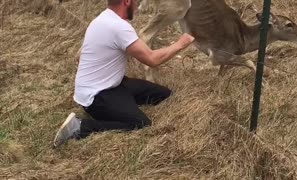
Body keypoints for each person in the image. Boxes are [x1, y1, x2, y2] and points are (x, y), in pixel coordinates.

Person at [53, 0, 194, 147]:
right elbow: (152, 59)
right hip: (96, 97)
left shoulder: (103, 18)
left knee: (164, 94)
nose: (137, 6)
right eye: (135, 2)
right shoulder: (118, 27)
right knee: (140, 124)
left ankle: (123, 105)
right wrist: (181, 44)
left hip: (112, 84)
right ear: (126, 1)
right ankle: (81, 126)